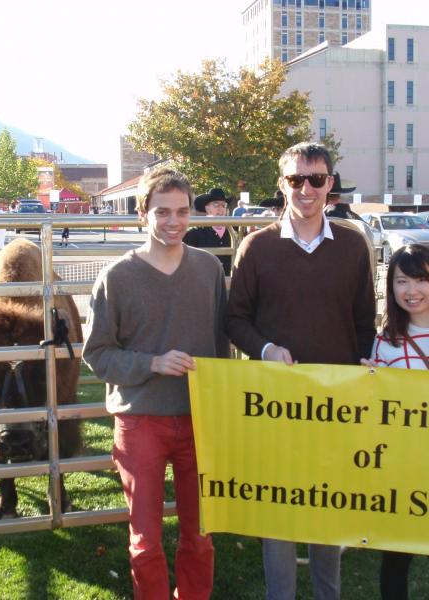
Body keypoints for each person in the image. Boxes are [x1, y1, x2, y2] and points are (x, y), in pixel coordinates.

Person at [225, 142, 376, 600]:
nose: (306, 189)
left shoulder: (353, 244)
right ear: (281, 184)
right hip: (274, 406)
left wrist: (367, 361)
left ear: (330, 184)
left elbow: (365, 320)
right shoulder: (256, 247)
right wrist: (266, 348)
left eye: (316, 179)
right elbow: (234, 320)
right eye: (296, 179)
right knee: (280, 514)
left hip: (337, 406)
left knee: (329, 508)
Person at [83, 167, 227, 600]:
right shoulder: (117, 277)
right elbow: (97, 354)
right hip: (141, 420)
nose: (174, 222)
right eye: (162, 212)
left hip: (199, 420)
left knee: (200, 535)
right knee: (145, 540)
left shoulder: (209, 270)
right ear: (142, 213)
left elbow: (222, 347)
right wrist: (153, 363)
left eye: (182, 212)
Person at [361, 244, 429, 600]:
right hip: (404, 470)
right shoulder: (385, 344)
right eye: (402, 281)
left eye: (420, 279)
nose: (411, 291)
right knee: (397, 557)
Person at [183, 187, 231, 275]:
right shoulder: (194, 233)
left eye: (223, 205)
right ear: (207, 208)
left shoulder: (232, 232)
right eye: (216, 205)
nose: (221, 209)